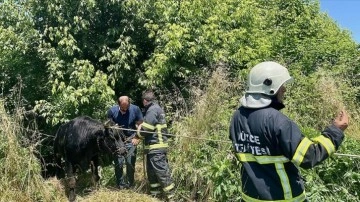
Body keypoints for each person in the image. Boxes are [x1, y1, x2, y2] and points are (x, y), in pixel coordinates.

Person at [229, 61, 349, 201]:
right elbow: (310, 156)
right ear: (270, 87)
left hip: (250, 197)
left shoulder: (237, 117)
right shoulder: (278, 121)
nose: (284, 90)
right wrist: (336, 130)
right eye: (281, 85)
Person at [132, 90, 175, 201]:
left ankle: (173, 197)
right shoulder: (155, 108)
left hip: (157, 148)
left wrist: (138, 133)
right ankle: (155, 196)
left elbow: (147, 129)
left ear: (145, 101)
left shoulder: (152, 110)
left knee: (162, 173)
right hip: (152, 149)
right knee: (152, 175)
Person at [107, 96, 143, 189]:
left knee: (130, 162)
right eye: (123, 108)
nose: (125, 110)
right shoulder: (112, 111)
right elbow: (109, 127)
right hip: (118, 140)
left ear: (129, 104)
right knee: (118, 163)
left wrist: (137, 137)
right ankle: (120, 185)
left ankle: (130, 184)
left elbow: (141, 124)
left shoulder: (135, 109)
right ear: (118, 105)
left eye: (127, 107)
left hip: (131, 138)